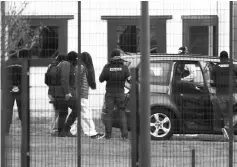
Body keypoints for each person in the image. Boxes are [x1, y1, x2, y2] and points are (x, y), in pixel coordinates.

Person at [70, 52, 104, 139]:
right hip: (81, 95)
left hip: (80, 95)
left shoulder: (80, 67)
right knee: (85, 113)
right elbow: (77, 83)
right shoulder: (81, 67)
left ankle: (70, 131)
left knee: (78, 114)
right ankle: (91, 133)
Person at [99, 49, 130, 140]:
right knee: (122, 114)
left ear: (111, 56)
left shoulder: (107, 67)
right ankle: (124, 135)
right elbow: (129, 79)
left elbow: (101, 79)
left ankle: (108, 135)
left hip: (109, 93)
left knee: (109, 114)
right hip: (120, 93)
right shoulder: (124, 67)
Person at [211, 50, 237, 140]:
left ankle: (229, 136)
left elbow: (212, 83)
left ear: (220, 58)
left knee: (226, 115)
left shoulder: (215, 67)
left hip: (220, 95)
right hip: (232, 94)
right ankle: (227, 127)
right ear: (227, 57)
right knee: (233, 113)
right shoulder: (232, 66)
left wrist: (213, 95)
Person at [46, 52, 66, 136]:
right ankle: (55, 130)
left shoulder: (50, 66)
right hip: (60, 93)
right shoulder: (63, 67)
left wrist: (51, 87)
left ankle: (53, 129)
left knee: (56, 112)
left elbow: (46, 81)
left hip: (51, 92)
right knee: (61, 112)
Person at [5, 50, 23, 134]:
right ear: (17, 55)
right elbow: (24, 77)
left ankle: (6, 130)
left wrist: (9, 87)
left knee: (8, 110)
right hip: (20, 89)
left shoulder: (5, 63)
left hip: (8, 90)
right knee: (22, 109)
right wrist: (18, 87)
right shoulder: (21, 63)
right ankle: (24, 129)